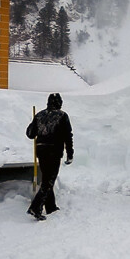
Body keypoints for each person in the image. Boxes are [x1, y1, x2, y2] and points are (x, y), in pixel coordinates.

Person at [26, 93, 74, 221]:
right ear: (59, 103)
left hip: (41, 151)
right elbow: (68, 136)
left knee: (47, 178)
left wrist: (36, 123)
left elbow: (30, 134)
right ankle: (36, 207)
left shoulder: (40, 115)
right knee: (49, 180)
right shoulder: (62, 116)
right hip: (54, 150)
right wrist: (70, 154)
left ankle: (51, 206)